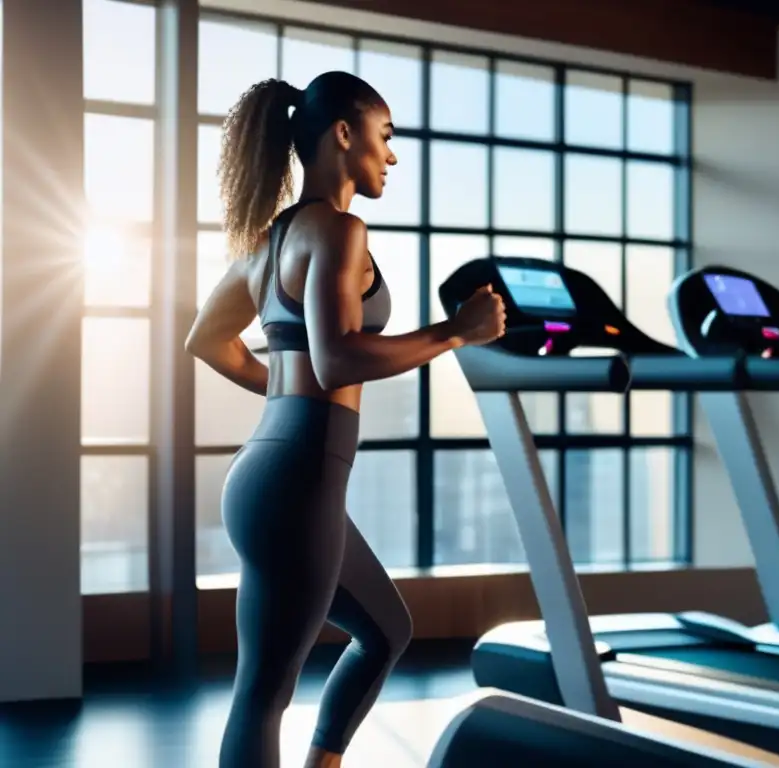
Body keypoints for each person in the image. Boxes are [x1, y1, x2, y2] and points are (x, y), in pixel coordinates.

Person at [185, 71, 506, 768]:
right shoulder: (339, 230)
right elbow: (338, 361)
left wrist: (286, 394)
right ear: (343, 134)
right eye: (384, 137)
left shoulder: (267, 242)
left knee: (386, 629)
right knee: (264, 694)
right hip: (296, 480)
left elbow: (206, 342)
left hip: (273, 473)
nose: (391, 156)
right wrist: (457, 331)